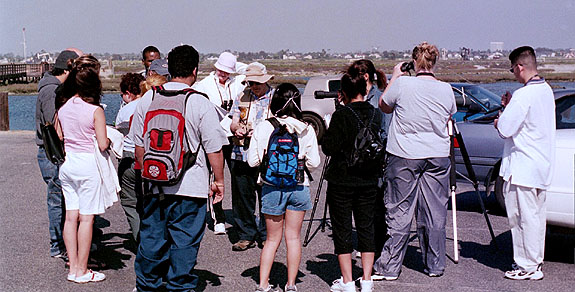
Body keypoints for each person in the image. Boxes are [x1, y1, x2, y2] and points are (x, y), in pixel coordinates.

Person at [129, 45, 227, 292]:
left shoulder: (148, 98)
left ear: (169, 69)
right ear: (195, 70)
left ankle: (147, 286)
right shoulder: (200, 103)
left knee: (151, 241)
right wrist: (219, 181)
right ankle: (179, 287)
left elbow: (138, 147)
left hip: (154, 185)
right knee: (184, 245)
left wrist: (149, 174)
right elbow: (214, 149)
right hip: (190, 187)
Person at [374, 42, 456, 280]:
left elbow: (384, 106)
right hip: (437, 153)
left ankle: (389, 266)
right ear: (434, 62)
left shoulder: (402, 84)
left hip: (404, 153)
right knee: (435, 211)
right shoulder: (446, 89)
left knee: (399, 209)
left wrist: (395, 76)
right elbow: (449, 113)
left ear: (414, 61)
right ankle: (434, 264)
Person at [248, 83, 320, 292]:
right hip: (298, 187)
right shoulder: (306, 128)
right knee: (293, 237)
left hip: (271, 187)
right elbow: (314, 162)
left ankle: (263, 284)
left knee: (271, 239)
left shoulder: (264, 126)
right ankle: (290, 284)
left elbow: (252, 162)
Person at [495, 46, 555, 280]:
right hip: (541, 164)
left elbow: (505, 128)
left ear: (520, 66)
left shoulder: (523, 95)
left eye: (513, 70)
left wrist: (502, 114)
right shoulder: (546, 90)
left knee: (521, 218)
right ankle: (535, 261)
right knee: (536, 218)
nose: (514, 74)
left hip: (522, 167)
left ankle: (525, 265)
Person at [322, 68, 383, 292]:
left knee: (343, 228)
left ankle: (347, 281)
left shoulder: (342, 114)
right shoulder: (376, 114)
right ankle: (366, 279)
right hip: (369, 179)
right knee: (366, 227)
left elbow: (329, 147)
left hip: (343, 180)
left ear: (344, 92)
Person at [56, 55, 113, 283]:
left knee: (71, 218)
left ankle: (73, 268)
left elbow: (60, 135)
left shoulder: (63, 107)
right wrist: (110, 140)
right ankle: (82, 269)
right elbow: (102, 143)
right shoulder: (95, 110)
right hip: (88, 165)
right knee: (86, 219)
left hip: (68, 164)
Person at [193, 51, 246, 235]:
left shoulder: (237, 82)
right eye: (221, 70)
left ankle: (242, 219)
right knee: (215, 178)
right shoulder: (204, 86)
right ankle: (218, 218)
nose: (223, 75)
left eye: (227, 71)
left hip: (233, 137)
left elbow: (248, 70)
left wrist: (235, 67)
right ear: (215, 68)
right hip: (214, 137)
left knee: (238, 178)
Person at [35, 49, 79, 259]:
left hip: (51, 152)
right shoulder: (51, 90)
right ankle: (58, 244)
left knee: (60, 196)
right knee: (57, 198)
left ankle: (61, 241)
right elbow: (54, 123)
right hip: (51, 153)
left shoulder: (51, 86)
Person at [229, 62, 274, 251]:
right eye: (251, 83)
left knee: (267, 196)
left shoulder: (276, 98)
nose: (254, 87)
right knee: (242, 198)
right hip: (241, 153)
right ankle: (246, 234)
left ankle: (266, 235)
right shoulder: (241, 97)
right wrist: (237, 129)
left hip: (267, 155)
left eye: (257, 83)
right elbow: (232, 121)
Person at [348, 59, 389, 260]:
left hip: (374, 160)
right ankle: (367, 246)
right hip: (358, 160)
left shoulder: (379, 100)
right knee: (362, 208)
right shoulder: (358, 98)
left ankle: (375, 248)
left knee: (376, 209)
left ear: (365, 77)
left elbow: (385, 132)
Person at [115, 73, 146, 243]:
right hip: (150, 156)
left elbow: (119, 132)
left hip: (129, 155)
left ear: (128, 93)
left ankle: (139, 240)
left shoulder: (125, 110)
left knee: (130, 201)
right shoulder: (151, 103)